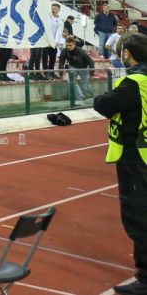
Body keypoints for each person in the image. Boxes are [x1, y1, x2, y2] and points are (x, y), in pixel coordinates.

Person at [95, 32, 147, 295]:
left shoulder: (134, 81)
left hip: (136, 156)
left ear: (127, 53)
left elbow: (103, 104)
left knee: (138, 216)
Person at [59, 37, 94, 103]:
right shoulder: (64, 51)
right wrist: (61, 74)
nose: (68, 47)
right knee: (71, 82)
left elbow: (90, 61)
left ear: (74, 45)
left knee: (84, 85)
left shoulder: (80, 51)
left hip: (84, 68)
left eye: (70, 45)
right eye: (67, 45)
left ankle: (92, 94)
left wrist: (92, 73)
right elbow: (61, 63)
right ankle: (80, 98)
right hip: (73, 67)